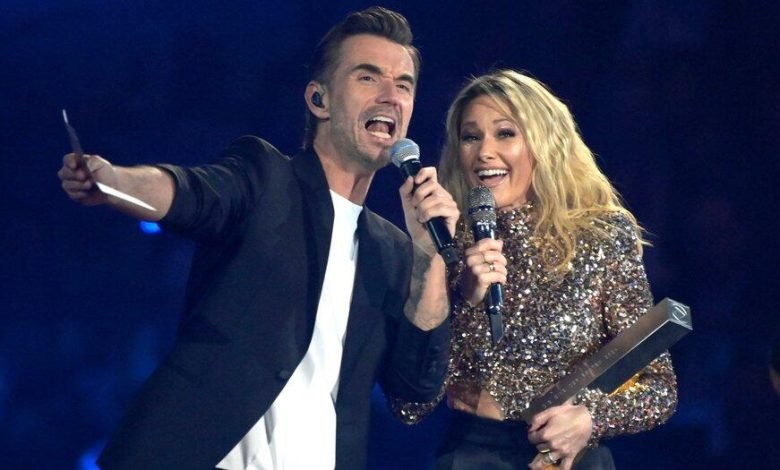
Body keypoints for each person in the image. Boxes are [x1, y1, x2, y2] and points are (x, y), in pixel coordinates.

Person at [58, 7, 459, 470]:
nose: (391, 96)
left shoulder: (393, 251)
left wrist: (429, 260)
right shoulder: (266, 178)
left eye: (404, 85)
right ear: (319, 100)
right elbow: (191, 193)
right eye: (368, 78)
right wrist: (114, 181)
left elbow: (414, 391)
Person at [393, 70, 678, 470]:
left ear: (543, 142)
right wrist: (465, 298)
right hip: (473, 454)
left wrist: (590, 418)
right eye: (471, 137)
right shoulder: (445, 243)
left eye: (505, 133)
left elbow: (659, 388)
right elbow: (410, 406)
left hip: (570, 458)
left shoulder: (601, 236)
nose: (484, 151)